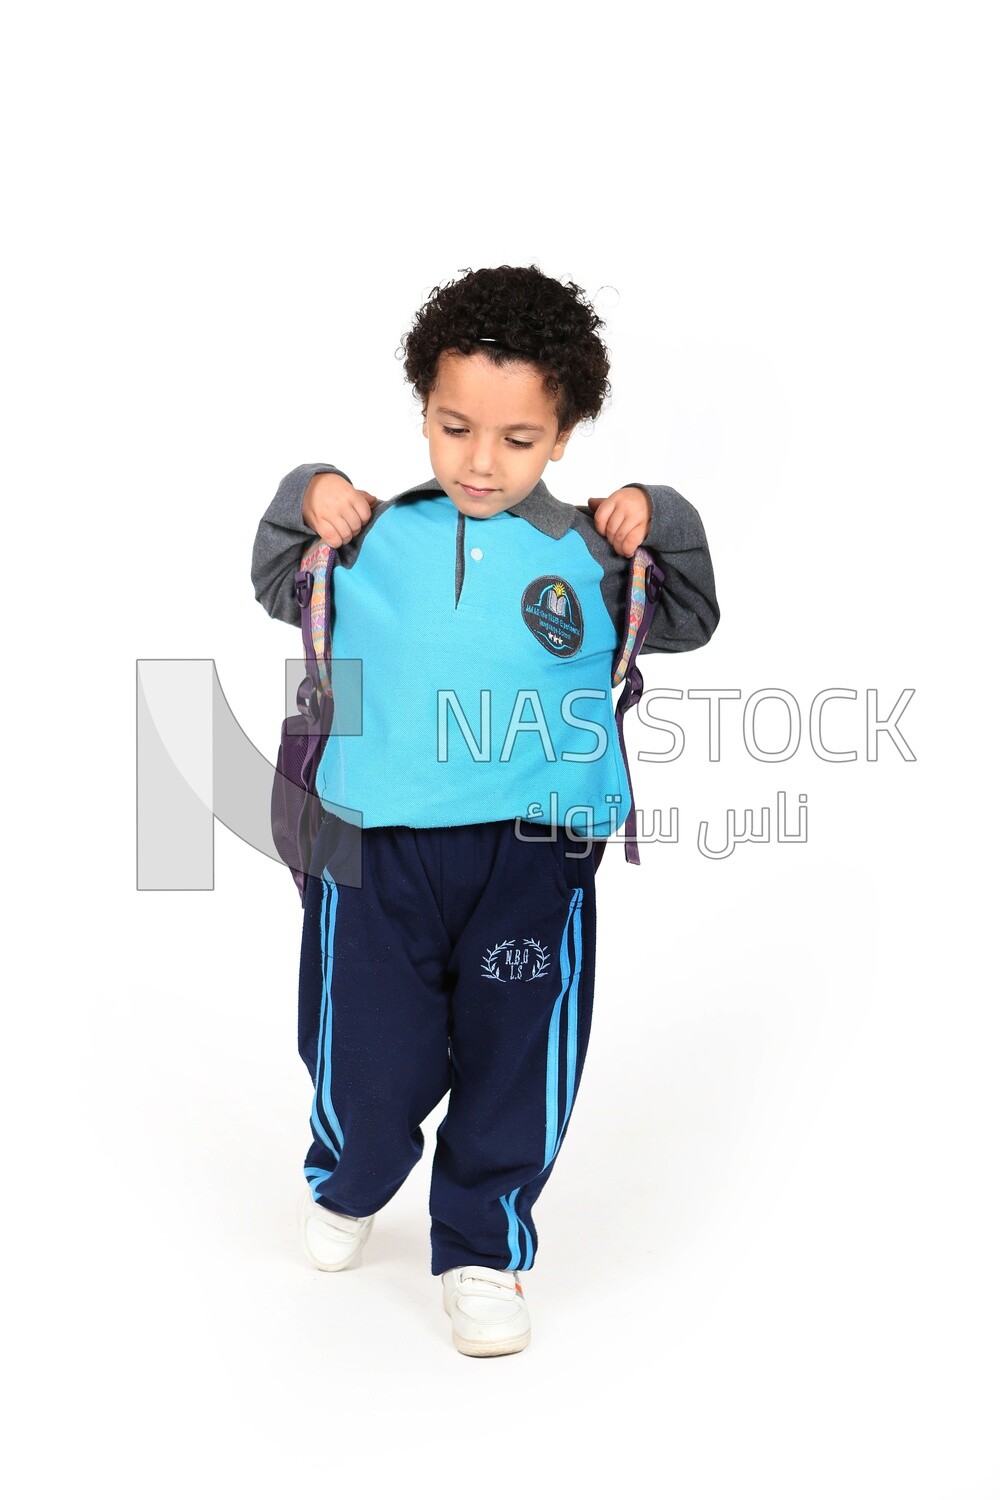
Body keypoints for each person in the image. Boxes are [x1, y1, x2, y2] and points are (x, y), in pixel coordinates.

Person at [251, 264, 720, 1357]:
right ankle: (354, 1173)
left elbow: (691, 613)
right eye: (455, 427)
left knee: (516, 1051)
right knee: (365, 1052)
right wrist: (307, 488)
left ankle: (483, 1247)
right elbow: (278, 574)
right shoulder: (367, 536)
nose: (479, 459)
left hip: (533, 855)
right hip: (372, 852)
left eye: (517, 439)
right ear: (422, 410)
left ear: (562, 436)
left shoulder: (599, 554)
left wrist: (660, 515)